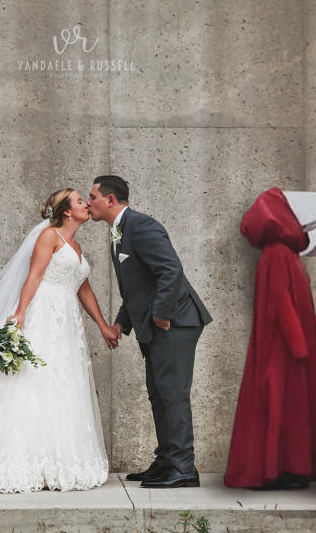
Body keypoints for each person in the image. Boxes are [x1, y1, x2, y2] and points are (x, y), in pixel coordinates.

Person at [0, 188, 117, 493]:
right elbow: (33, 276)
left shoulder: (76, 244)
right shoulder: (50, 237)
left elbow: (82, 288)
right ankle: (24, 459)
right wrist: (20, 313)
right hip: (43, 313)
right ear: (67, 211)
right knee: (34, 381)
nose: (86, 203)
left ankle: (58, 458)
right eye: (79, 200)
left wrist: (103, 326)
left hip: (67, 319)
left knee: (63, 383)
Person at [87, 175, 212, 489]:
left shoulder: (141, 226)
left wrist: (160, 315)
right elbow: (137, 288)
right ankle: (167, 460)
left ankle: (184, 468)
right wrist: (121, 323)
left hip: (176, 324)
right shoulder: (120, 233)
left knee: (173, 395)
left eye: (92, 197)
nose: (89, 203)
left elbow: (170, 270)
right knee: (160, 396)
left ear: (110, 200)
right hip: (156, 327)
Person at [224, 188, 316, 490]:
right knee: (281, 403)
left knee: (288, 405)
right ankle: (277, 469)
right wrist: (299, 343)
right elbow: (282, 302)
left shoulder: (284, 253)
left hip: (289, 345)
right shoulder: (278, 254)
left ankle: (286, 467)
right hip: (284, 348)